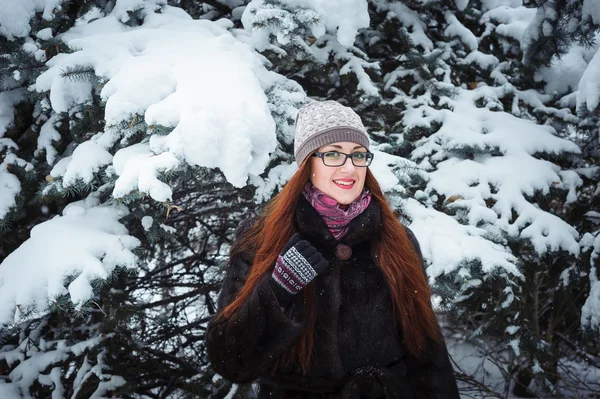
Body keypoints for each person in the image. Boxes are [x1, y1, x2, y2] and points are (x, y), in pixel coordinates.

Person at [205, 100, 460, 398]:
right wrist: (277, 290)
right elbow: (231, 362)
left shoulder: (397, 240)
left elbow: (427, 353)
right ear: (307, 163)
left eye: (358, 155)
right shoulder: (259, 239)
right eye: (333, 154)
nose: (350, 167)